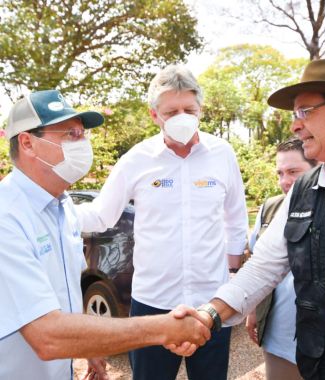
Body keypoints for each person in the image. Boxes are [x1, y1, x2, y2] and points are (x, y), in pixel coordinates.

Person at [171, 59, 325, 380]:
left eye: (305, 111)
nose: (294, 125)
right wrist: (208, 315)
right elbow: (264, 267)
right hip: (320, 367)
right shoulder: (304, 190)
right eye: (294, 115)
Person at [0, 90, 210, 380]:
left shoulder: (62, 209)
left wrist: (89, 343)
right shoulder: (7, 217)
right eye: (70, 134)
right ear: (28, 142)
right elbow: (46, 335)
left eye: (83, 134)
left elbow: (64, 293)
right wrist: (164, 328)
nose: (82, 142)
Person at [75, 65, 248, 380]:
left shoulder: (222, 154)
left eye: (189, 109)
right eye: (172, 111)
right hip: (152, 305)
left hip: (211, 303)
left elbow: (235, 219)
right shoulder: (136, 160)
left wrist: (233, 276)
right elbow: (100, 215)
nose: (182, 116)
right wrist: (53, 208)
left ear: (200, 110)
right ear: (154, 115)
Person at [246, 137, 317, 380]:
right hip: (279, 337)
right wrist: (253, 311)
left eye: (293, 172)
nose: (284, 181)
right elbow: (258, 264)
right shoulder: (270, 208)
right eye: (280, 173)